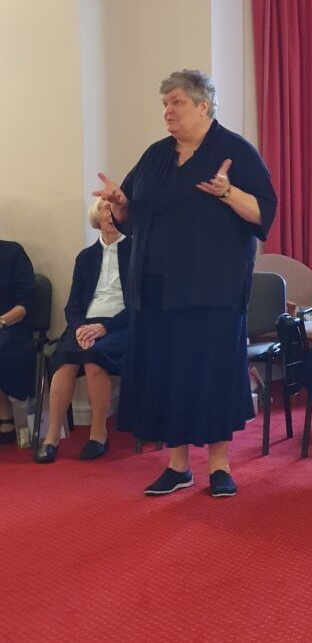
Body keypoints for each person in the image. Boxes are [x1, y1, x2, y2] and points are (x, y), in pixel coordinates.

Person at [94, 70, 276, 498]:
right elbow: (133, 217)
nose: (167, 112)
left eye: (175, 102)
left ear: (203, 105)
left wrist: (228, 193)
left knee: (209, 373)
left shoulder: (234, 151)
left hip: (212, 290)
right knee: (167, 374)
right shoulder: (157, 155)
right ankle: (178, 466)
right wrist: (120, 205)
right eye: (164, 104)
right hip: (156, 289)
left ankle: (218, 466)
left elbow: (263, 212)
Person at [34, 199, 131, 464]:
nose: (110, 216)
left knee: (93, 358)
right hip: (85, 324)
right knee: (64, 360)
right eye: (104, 210)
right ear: (96, 217)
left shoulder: (136, 252)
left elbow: (140, 306)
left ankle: (98, 434)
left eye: (114, 211)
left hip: (121, 325)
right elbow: (73, 305)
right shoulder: (86, 257)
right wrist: (79, 328)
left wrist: (104, 327)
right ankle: (52, 436)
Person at [0, 240, 36, 444]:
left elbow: (26, 302)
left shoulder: (13, 252)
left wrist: (2, 321)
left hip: (12, 325)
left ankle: (5, 415)